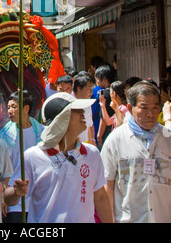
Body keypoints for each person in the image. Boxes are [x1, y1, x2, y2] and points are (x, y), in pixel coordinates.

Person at [4, 92, 113, 223]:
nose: (83, 114)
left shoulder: (92, 154)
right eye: (77, 111)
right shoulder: (33, 156)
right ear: (61, 119)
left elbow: (100, 196)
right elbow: (9, 199)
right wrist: (16, 192)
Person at [101, 81, 171, 223]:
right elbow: (107, 184)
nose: (150, 114)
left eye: (155, 108)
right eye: (144, 108)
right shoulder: (115, 140)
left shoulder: (168, 138)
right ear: (130, 108)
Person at [0, 90, 44, 222]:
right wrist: (3, 197)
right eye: (8, 107)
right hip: (14, 198)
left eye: (14, 107)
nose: (10, 111)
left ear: (26, 109)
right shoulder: (4, 136)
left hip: (37, 196)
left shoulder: (42, 133)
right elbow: (1, 168)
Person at [95, 64, 115, 147]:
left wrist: (99, 133)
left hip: (107, 129)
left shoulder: (106, 94)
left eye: (98, 78)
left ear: (104, 79)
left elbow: (104, 115)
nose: (97, 81)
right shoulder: (113, 90)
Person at [72, 73, 95, 144]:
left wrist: (92, 141)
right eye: (89, 89)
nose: (91, 92)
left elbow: (89, 125)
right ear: (79, 88)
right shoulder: (70, 103)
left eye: (92, 89)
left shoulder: (88, 102)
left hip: (86, 143)